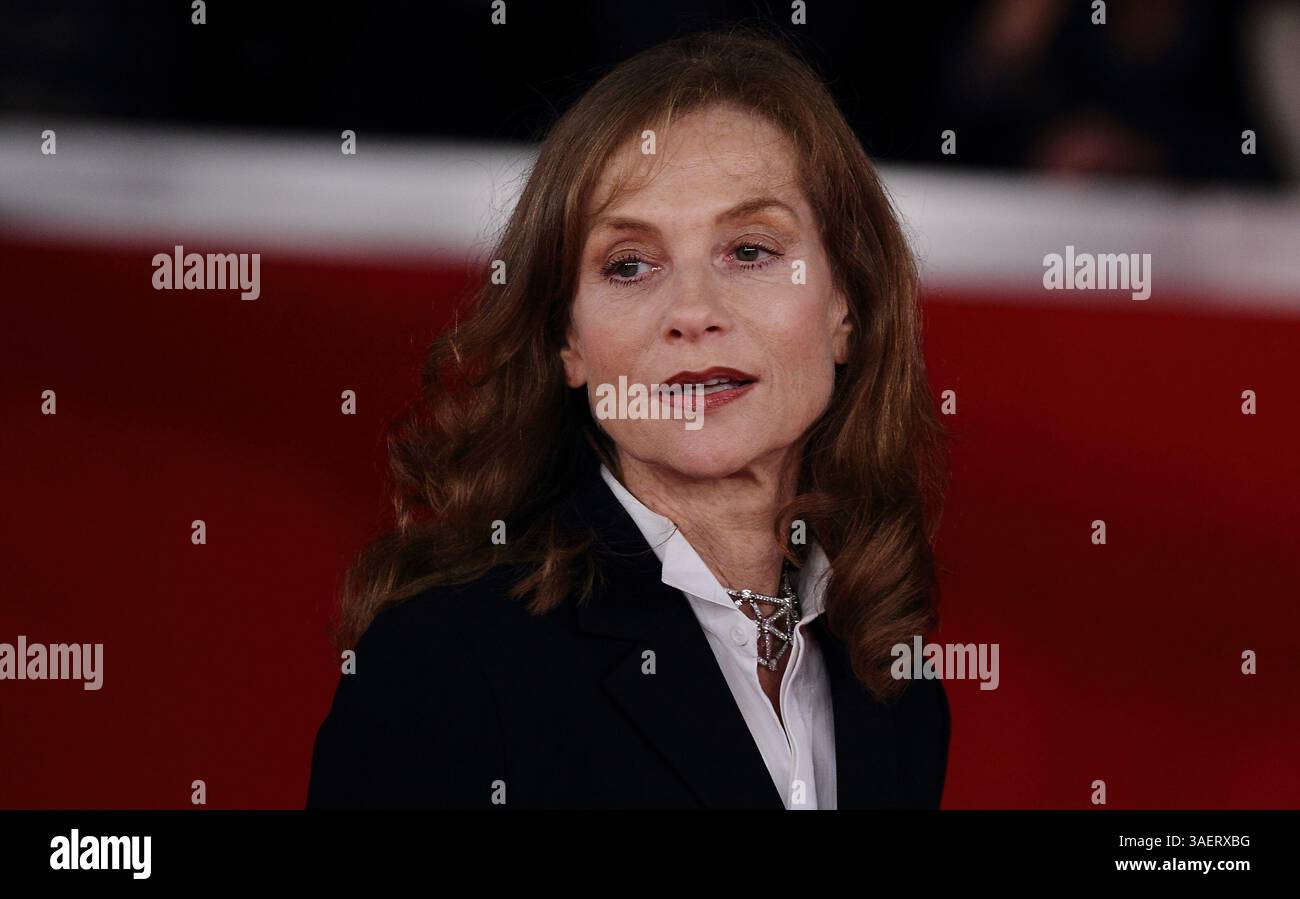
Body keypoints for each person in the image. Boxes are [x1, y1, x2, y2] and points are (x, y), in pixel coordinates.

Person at [306, 28, 951, 810]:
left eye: (750, 250)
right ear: (569, 342)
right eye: (629, 265)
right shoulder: (446, 663)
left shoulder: (889, 680)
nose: (692, 313)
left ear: (846, 306)